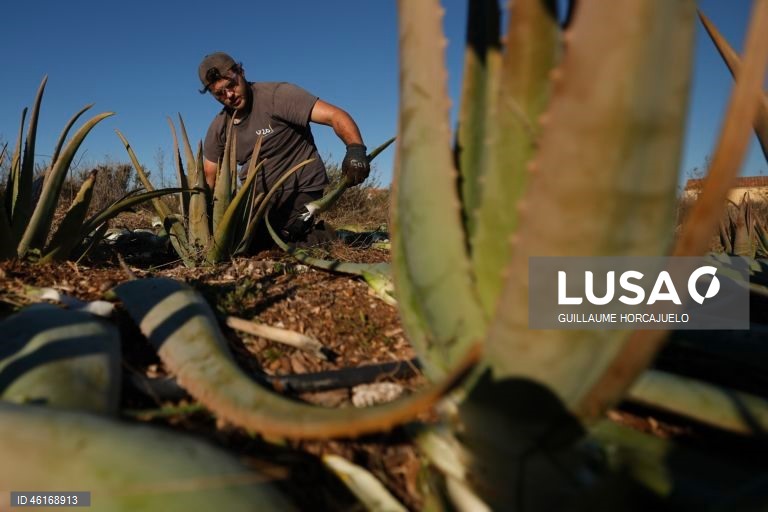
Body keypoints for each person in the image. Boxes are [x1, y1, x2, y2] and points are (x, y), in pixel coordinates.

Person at [197, 51, 370, 248]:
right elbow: (209, 175)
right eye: (219, 93)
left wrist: (355, 149)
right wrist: (203, 216)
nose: (229, 95)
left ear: (241, 72)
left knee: (285, 242)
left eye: (232, 85)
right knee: (239, 244)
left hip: (299, 189)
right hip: (258, 201)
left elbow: (336, 116)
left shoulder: (277, 95)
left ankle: (325, 237)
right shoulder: (219, 127)